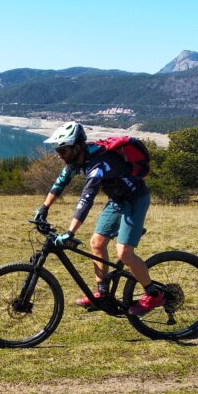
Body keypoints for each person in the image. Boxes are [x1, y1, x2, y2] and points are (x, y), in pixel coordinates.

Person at [34, 121, 163, 316]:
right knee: (97, 243)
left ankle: (153, 294)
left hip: (136, 200)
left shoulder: (98, 164)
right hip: (117, 201)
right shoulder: (78, 159)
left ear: (77, 147)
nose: (60, 154)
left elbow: (86, 200)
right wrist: (44, 208)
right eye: (58, 150)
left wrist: (70, 232)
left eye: (64, 150)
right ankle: (102, 294)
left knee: (124, 253)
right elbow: (60, 182)